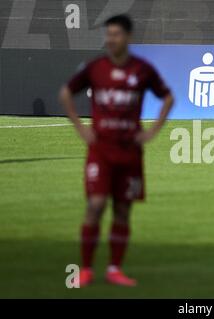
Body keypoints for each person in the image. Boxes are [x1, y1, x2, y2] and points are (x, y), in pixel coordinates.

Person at [59, 14, 174, 287]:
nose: (111, 40)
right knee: (96, 206)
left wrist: (153, 130)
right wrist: (80, 127)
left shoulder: (142, 70)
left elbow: (167, 97)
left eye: (116, 35)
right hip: (101, 151)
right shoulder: (95, 68)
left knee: (123, 210)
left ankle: (114, 269)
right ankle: (85, 269)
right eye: (108, 35)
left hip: (130, 152)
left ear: (128, 37)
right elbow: (66, 92)